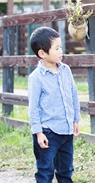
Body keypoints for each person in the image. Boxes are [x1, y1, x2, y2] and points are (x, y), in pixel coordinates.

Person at [28, 26, 81, 183]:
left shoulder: (66, 70)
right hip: (48, 132)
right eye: (57, 48)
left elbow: (73, 94)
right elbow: (34, 107)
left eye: (61, 47)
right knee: (45, 171)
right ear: (42, 53)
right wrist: (38, 132)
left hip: (66, 130)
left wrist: (76, 119)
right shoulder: (36, 78)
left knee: (66, 170)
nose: (61, 51)